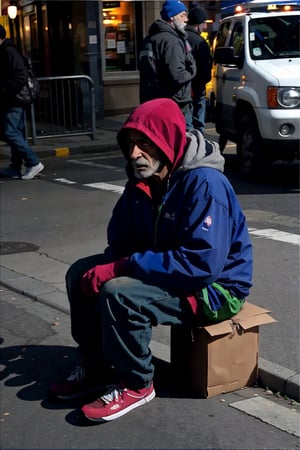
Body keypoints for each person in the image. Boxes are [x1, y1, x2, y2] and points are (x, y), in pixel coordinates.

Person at [48, 98, 253, 423]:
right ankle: (96, 364)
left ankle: (136, 383)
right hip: (168, 267)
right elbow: (121, 238)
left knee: (120, 292)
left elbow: (202, 265)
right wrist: (110, 264)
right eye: (130, 144)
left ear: (169, 140)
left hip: (216, 289)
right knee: (80, 273)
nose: (134, 153)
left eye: (145, 143)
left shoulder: (205, 184)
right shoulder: (144, 179)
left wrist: (122, 267)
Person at [139, 0, 196, 130]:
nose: (186, 19)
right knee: (183, 144)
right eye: (182, 15)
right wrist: (193, 70)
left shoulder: (149, 39)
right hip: (174, 103)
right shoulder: (171, 41)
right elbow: (178, 76)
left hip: (153, 101)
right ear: (172, 17)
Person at [0, 25, 44, 180]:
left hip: (14, 99)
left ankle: (33, 162)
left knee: (9, 132)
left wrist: (5, 90)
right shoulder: (8, 50)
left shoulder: (8, 51)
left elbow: (20, 76)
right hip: (13, 99)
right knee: (15, 133)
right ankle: (15, 167)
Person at [186, 6, 213, 134]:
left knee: (186, 122)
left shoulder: (179, 38)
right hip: (197, 88)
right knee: (198, 122)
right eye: (204, 23)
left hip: (182, 89)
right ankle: (198, 146)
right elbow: (205, 66)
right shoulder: (199, 41)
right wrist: (203, 80)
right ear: (198, 24)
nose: (205, 27)